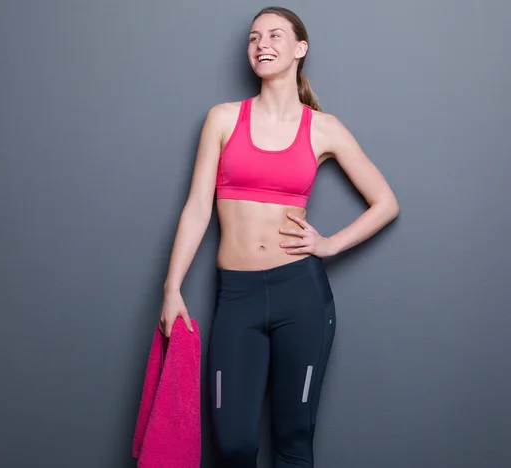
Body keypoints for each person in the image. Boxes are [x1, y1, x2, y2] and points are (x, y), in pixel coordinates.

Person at [157, 6, 399, 467]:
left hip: (301, 295)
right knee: (233, 445)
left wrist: (329, 245)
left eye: (274, 36)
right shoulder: (224, 118)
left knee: (293, 441)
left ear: (299, 49)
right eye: (253, 38)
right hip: (238, 298)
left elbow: (386, 203)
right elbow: (196, 209)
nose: (261, 44)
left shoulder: (322, 127)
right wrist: (172, 289)